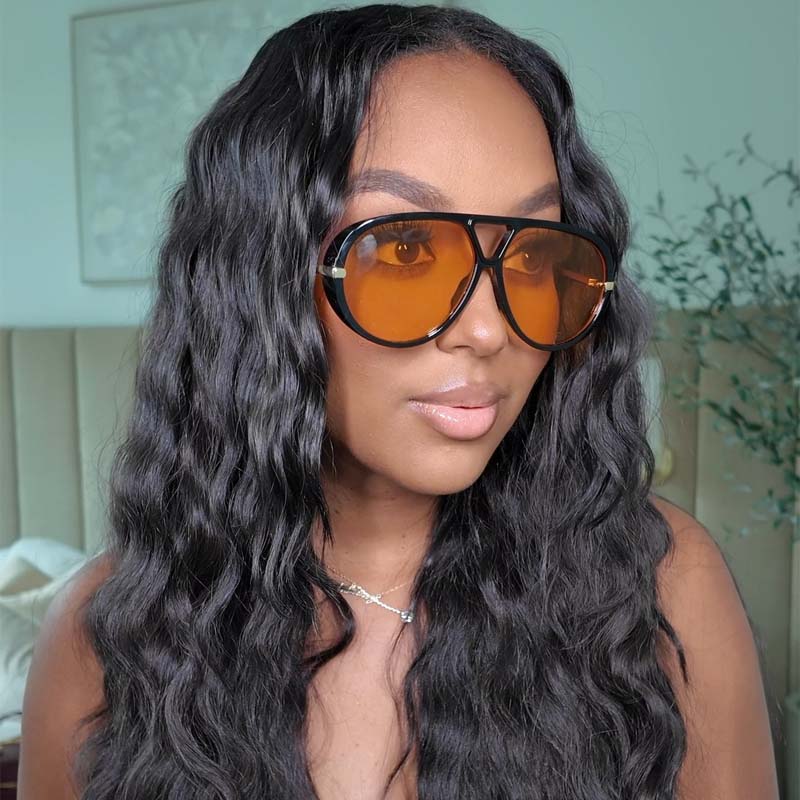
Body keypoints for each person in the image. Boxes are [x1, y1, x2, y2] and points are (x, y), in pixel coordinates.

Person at [17, 4, 779, 799]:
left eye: (532, 256)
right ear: (262, 283)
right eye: (406, 249)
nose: (488, 329)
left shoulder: (658, 588)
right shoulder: (105, 637)